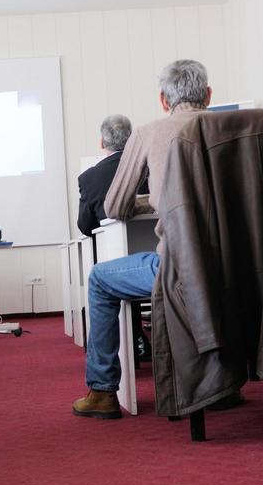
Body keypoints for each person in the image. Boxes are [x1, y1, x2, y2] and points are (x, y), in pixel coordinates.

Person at [72, 60, 212, 419]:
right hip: (241, 267)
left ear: (164, 101)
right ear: (209, 95)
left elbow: (116, 206)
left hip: (179, 269)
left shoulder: (151, 133)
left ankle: (103, 391)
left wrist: (157, 198)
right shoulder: (242, 128)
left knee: (100, 278)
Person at [77, 114, 144, 238]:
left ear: (102, 143)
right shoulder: (148, 167)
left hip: (108, 248)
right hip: (151, 245)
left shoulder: (88, 178)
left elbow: (85, 227)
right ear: (131, 140)